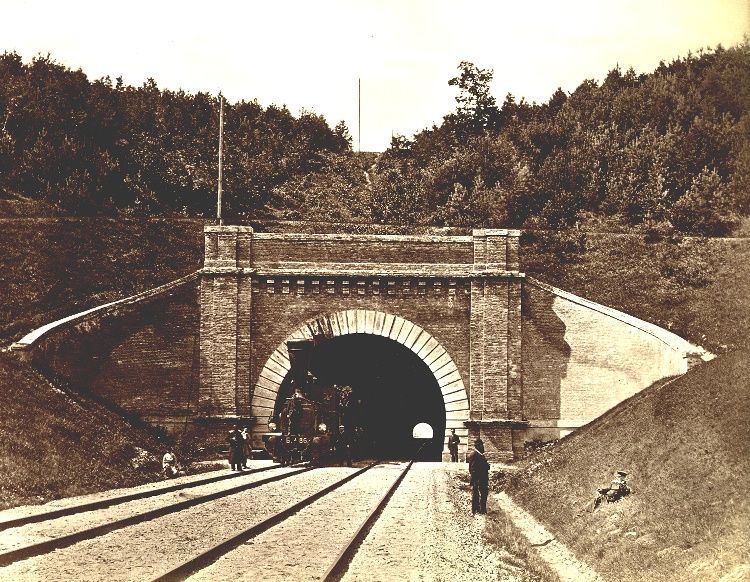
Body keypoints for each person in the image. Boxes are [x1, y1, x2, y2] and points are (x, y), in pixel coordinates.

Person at [468, 438, 490, 515]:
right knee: (477, 494)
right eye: (481, 445)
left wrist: (486, 466)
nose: (483, 447)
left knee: (483, 493)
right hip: (478, 479)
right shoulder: (474, 455)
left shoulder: (480, 455)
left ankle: (481, 509)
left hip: (482, 478)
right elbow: (472, 469)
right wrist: (475, 479)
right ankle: (476, 510)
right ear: (478, 446)